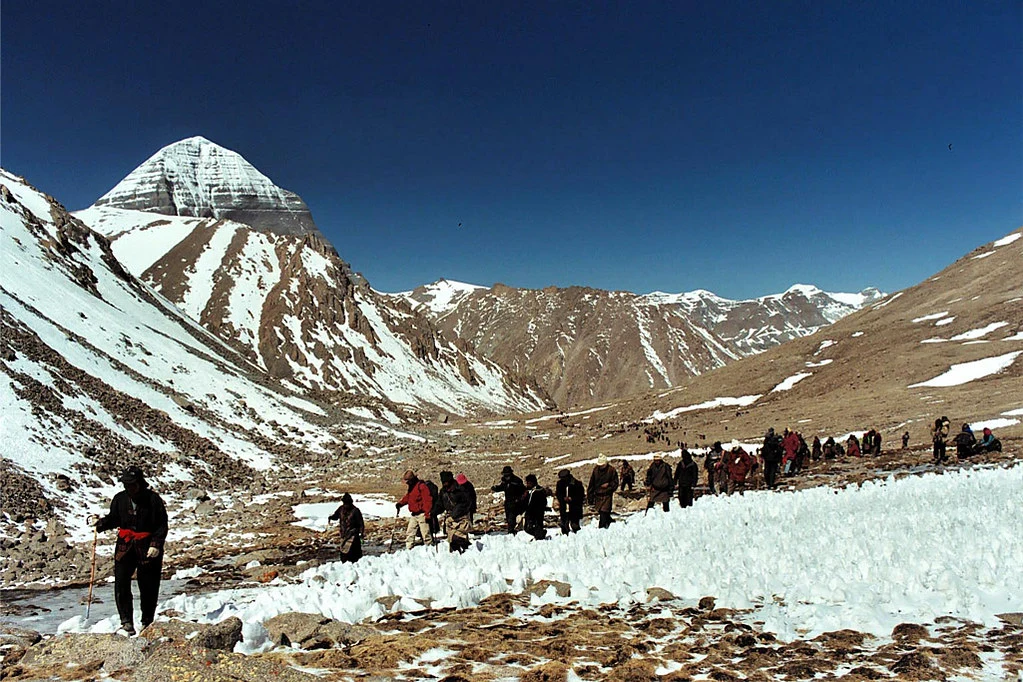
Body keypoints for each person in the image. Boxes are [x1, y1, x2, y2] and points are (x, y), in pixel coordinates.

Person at [91, 466, 168, 636]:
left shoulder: (153, 500)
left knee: (149, 586)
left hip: (148, 548)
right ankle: (126, 621)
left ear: (140, 483)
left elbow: (162, 525)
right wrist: (101, 523)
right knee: (121, 584)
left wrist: (156, 544)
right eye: (126, 484)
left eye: (132, 484)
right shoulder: (120, 499)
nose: (129, 488)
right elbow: (114, 518)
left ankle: (147, 621)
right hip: (125, 547)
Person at [396, 470, 434, 550]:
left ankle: (430, 550)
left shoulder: (421, 486)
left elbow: (427, 500)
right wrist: (400, 503)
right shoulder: (411, 486)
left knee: (426, 534)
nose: (406, 483)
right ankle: (409, 549)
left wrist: (427, 514)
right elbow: (408, 497)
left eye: (407, 481)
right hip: (414, 514)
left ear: (411, 479)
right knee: (410, 533)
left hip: (422, 514)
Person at [438, 471, 472, 553]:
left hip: (461, 518)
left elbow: (466, 503)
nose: (444, 484)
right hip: (450, 519)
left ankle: (466, 554)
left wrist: (455, 513)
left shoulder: (460, 490)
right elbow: (440, 504)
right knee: (453, 540)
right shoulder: (443, 491)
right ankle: (458, 557)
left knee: (459, 538)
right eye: (443, 482)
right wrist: (434, 511)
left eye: (446, 482)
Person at [328, 493, 364, 563]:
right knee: (344, 553)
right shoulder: (341, 509)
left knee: (354, 554)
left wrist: (361, 534)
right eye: (345, 503)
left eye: (347, 503)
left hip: (353, 536)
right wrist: (332, 517)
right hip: (344, 534)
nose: (346, 505)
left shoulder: (355, 511)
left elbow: (361, 523)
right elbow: (336, 516)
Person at [587, 454, 619, 528]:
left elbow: (616, 483)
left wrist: (609, 485)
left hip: (607, 495)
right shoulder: (595, 470)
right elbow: (591, 484)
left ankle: (601, 528)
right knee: (603, 512)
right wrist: (590, 497)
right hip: (598, 496)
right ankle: (611, 523)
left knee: (604, 513)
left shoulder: (611, 470)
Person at [491, 466, 525, 534]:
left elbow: (523, 491)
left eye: (507, 475)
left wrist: (518, 500)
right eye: (505, 475)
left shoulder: (517, 481)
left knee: (513, 519)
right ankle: (511, 532)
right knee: (509, 519)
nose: (506, 477)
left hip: (516, 503)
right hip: (508, 503)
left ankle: (513, 532)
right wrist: (496, 488)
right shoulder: (505, 481)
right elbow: (502, 487)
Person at [554, 469, 584, 534]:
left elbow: (580, 496)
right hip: (564, 508)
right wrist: (563, 499)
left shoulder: (577, 484)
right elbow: (558, 494)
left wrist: (571, 499)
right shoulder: (560, 484)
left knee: (574, 525)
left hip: (574, 509)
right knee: (564, 525)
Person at [522, 474, 549, 540]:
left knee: (538, 526)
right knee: (527, 528)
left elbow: (543, 502)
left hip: (537, 513)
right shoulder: (527, 490)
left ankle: (539, 537)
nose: (528, 484)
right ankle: (540, 534)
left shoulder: (540, 490)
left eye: (529, 483)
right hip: (529, 512)